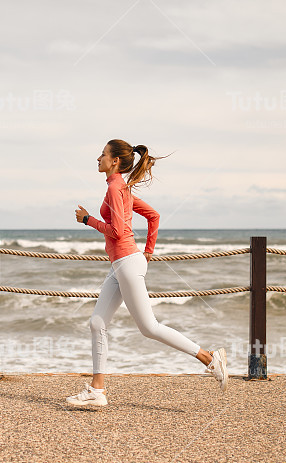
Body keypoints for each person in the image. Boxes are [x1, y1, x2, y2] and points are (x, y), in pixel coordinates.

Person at [66, 139, 228, 407]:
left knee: (149, 327)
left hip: (127, 263)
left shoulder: (117, 187)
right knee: (97, 323)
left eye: (103, 154)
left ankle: (210, 359)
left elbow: (117, 231)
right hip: (122, 265)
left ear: (114, 161)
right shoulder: (120, 187)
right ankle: (97, 391)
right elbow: (154, 216)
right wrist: (148, 251)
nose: (98, 158)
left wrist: (88, 220)